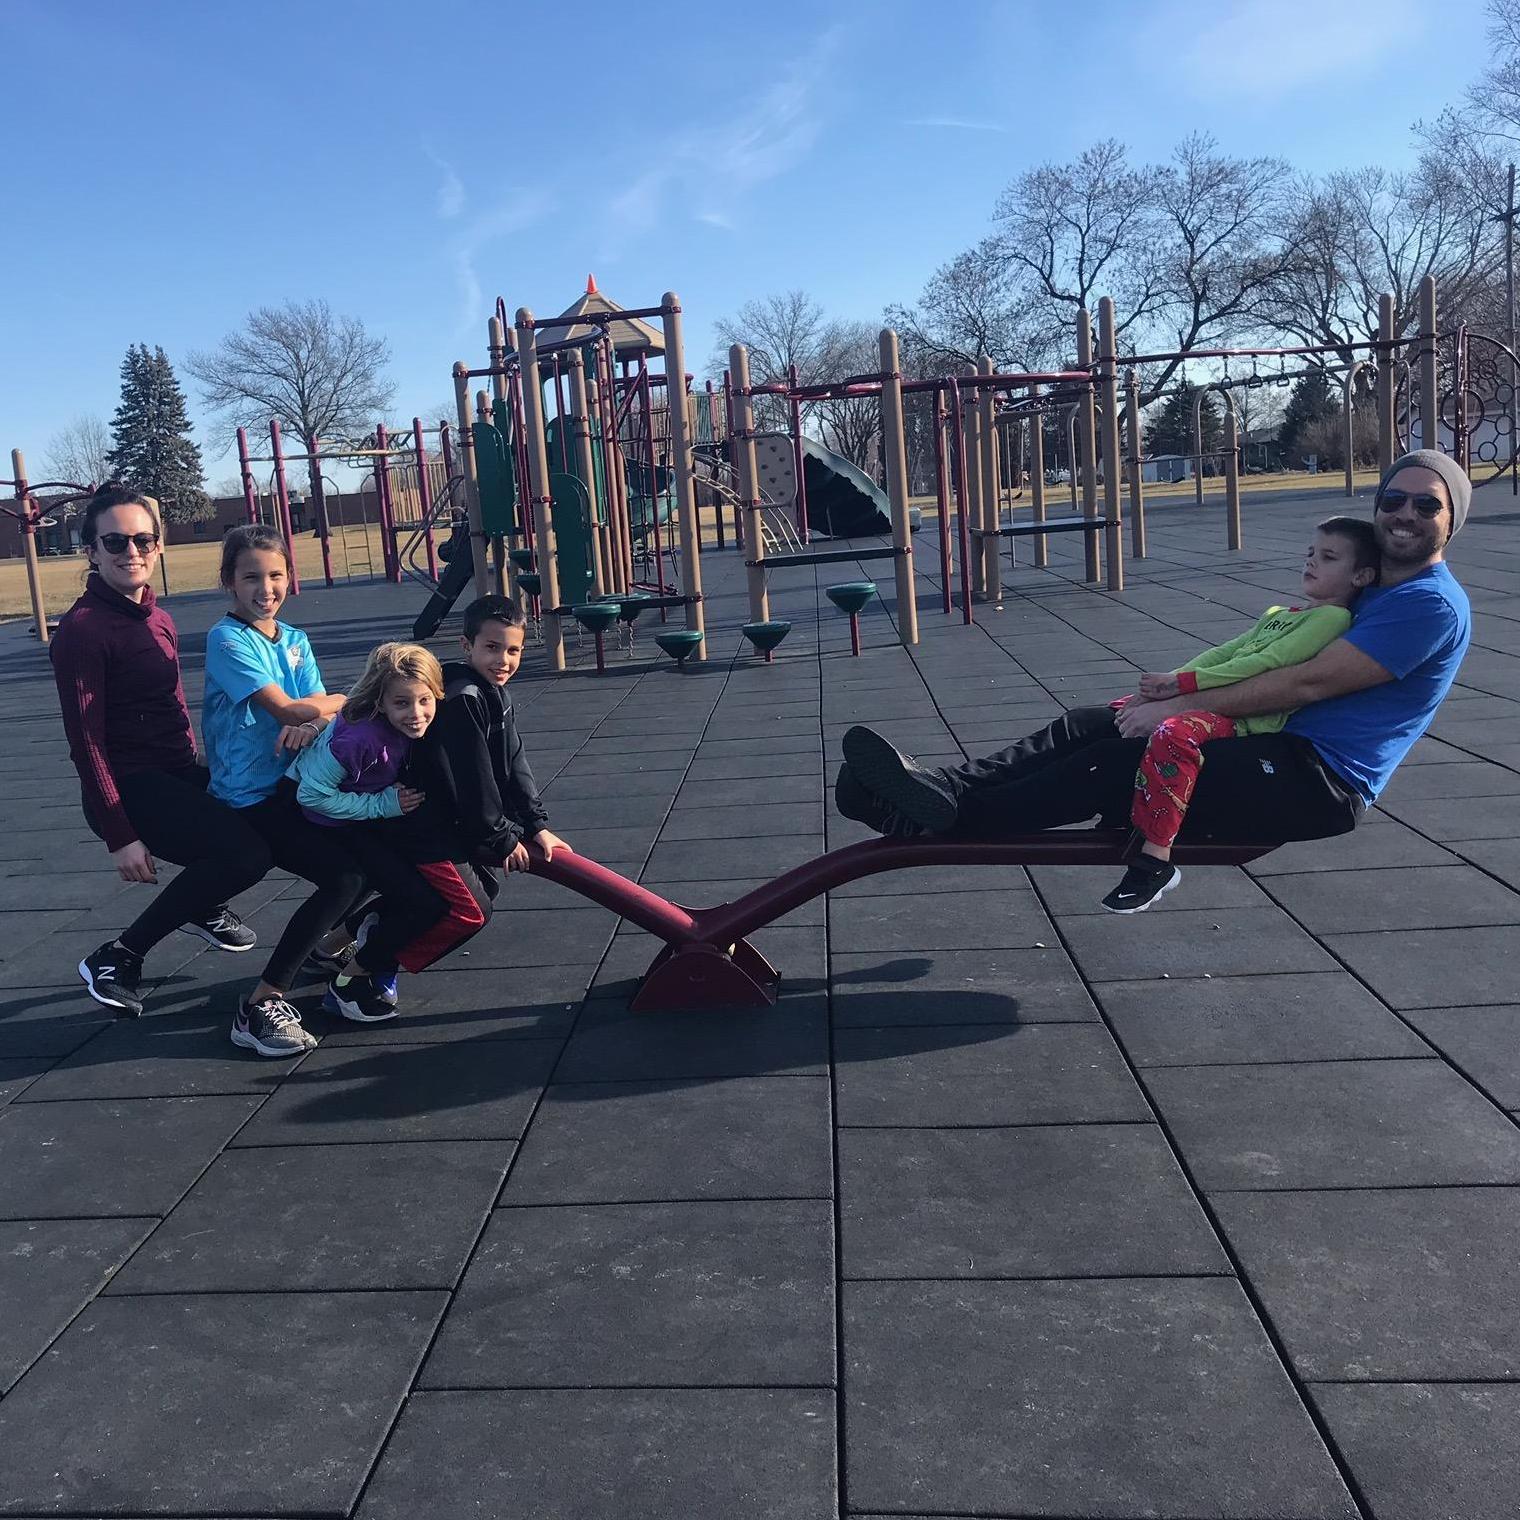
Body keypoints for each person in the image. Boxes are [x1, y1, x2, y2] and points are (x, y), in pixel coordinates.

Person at [838, 450, 1473, 875]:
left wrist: (1177, 705)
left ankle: (947, 819)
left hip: (1316, 781)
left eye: (1427, 505)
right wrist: (1162, 700)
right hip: (1272, 748)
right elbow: (1262, 655)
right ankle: (940, 793)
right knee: (1096, 721)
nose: (1406, 514)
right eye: (1395, 499)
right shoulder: (1375, 589)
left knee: (1119, 757)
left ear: (1452, 521)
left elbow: (1303, 682)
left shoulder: (1426, 606)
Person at [51, 486, 262, 1019]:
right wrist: (120, 834)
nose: (132, 551)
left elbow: (168, 710)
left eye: (143, 538)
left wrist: (209, 767)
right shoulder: (83, 631)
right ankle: (118, 956)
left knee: (266, 819)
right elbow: (87, 740)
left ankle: (200, 902)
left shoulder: (157, 617)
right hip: (128, 786)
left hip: (172, 774)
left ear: (159, 544)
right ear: (91, 551)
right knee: (245, 854)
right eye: (116, 541)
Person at [1099, 516, 1379, 912]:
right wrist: (1171, 681)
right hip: (1215, 699)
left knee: (1172, 735)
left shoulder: (1332, 619)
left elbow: (1266, 663)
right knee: (1114, 716)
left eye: (1329, 557)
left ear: (1361, 576)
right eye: (1311, 553)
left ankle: (1155, 858)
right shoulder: (1282, 613)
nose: (1312, 562)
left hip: (1245, 718)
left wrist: (1183, 687)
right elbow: (1225, 652)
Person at [202, 523, 367, 1056]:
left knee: (374, 849)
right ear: (229, 580)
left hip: (293, 783)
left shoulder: (294, 640)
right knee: (345, 875)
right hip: (249, 795)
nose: (265, 588)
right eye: (251, 576)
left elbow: (311, 718)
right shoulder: (227, 639)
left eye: (275, 575)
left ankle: (328, 948)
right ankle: (259, 1006)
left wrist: (314, 720)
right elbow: (293, 708)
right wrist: (341, 700)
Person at [288, 641, 497, 1023]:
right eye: (402, 704)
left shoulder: (409, 725)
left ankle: (341, 943)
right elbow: (311, 795)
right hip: (335, 827)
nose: (416, 714)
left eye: (424, 701)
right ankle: (352, 980)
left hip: (366, 820)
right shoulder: (361, 738)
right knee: (428, 904)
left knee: (429, 897)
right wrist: (380, 805)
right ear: (381, 702)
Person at [427, 594, 569, 876]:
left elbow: (515, 760)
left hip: (469, 822)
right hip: (438, 827)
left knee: (480, 897)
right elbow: (472, 772)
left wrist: (535, 825)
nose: (503, 660)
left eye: (513, 650)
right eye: (492, 647)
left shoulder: (495, 692)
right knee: (468, 909)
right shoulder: (462, 697)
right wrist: (502, 837)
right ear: (467, 645)